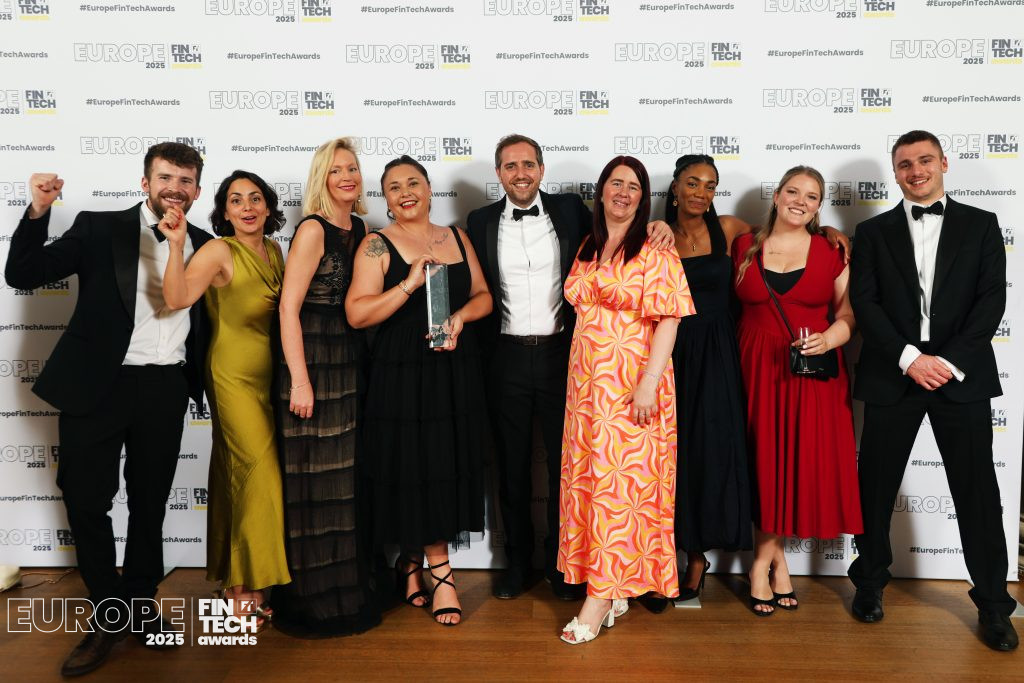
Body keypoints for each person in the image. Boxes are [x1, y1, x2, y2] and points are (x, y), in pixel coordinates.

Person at [4, 143, 211, 677]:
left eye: (185, 180)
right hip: (97, 384)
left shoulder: (206, 244)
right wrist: (39, 210)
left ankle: (140, 602)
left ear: (197, 190)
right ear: (145, 183)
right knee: (85, 498)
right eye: (165, 178)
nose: (174, 188)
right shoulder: (100, 228)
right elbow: (23, 273)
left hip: (164, 387)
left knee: (150, 502)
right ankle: (107, 611)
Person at [466, 134, 673, 602]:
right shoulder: (479, 221)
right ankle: (517, 564)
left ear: (542, 170)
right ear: (498, 174)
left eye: (528, 164)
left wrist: (662, 226)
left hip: (566, 358)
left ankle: (564, 566)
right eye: (510, 166)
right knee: (512, 466)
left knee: (572, 466)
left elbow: (622, 227)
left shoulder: (570, 211)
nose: (520, 173)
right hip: (505, 357)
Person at [848, 130, 1017, 651]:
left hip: (959, 377)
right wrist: (909, 359)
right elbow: (865, 303)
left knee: (978, 495)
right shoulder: (872, 232)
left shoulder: (982, 224)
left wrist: (943, 363)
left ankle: (994, 604)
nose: (915, 171)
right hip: (893, 373)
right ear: (895, 172)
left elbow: (991, 301)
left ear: (944, 163)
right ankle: (869, 583)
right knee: (875, 488)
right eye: (905, 164)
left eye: (925, 160)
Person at [346, 155, 492, 626]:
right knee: (415, 466)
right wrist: (408, 284)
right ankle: (442, 575)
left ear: (430, 190)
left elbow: (484, 296)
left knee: (443, 467)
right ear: (386, 199)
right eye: (394, 187)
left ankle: (410, 563)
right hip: (403, 374)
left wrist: (460, 318)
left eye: (413, 182)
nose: (405, 192)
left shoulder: (457, 237)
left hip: (454, 369)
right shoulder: (376, 244)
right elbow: (357, 314)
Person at [558, 156, 694, 644]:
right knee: (592, 487)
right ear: (601, 191)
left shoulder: (656, 248)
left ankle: (598, 600)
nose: (623, 192)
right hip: (586, 391)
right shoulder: (589, 244)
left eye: (633, 186)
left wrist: (649, 382)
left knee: (621, 492)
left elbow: (670, 319)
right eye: (615, 183)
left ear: (644, 197)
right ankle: (613, 587)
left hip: (631, 385)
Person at [159, 169, 291, 628]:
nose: (247, 207)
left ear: (269, 207)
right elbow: (177, 297)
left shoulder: (275, 250)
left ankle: (235, 579)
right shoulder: (219, 250)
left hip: (269, 377)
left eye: (255, 198)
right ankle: (246, 587)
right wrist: (176, 246)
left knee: (235, 474)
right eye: (236, 200)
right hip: (231, 375)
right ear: (224, 212)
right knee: (257, 475)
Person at [733, 165, 861, 616]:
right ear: (776, 195)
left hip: (811, 373)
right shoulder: (742, 245)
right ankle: (778, 563)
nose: (800, 201)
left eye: (811, 196)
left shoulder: (831, 250)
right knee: (762, 465)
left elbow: (848, 316)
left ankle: (761, 565)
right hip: (753, 369)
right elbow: (696, 224)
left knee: (794, 466)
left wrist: (828, 339)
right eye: (792, 191)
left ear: (819, 206)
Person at [270, 138, 382, 636]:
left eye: (352, 168)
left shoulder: (361, 229)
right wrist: (299, 379)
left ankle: (348, 588)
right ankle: (314, 599)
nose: (347, 176)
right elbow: (287, 309)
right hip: (312, 358)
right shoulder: (312, 229)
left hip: (351, 357)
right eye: (336, 170)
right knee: (314, 480)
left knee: (346, 479)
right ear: (322, 177)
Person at [665, 154, 753, 602]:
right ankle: (670, 555)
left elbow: (786, 236)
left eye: (710, 185)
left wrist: (829, 231)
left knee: (710, 451)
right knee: (672, 456)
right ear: (675, 187)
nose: (701, 192)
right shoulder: (657, 235)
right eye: (693, 183)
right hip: (669, 352)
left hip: (718, 353)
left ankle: (698, 558)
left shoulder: (731, 228)